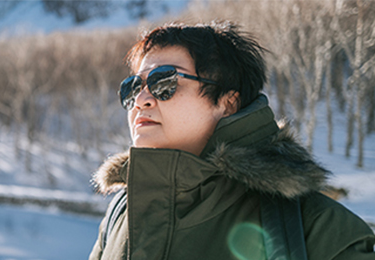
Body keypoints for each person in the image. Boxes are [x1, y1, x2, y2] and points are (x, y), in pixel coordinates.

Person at [89, 21, 375, 260]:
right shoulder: (121, 213)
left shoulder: (315, 228)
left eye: (164, 83)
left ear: (228, 103)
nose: (140, 100)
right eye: (133, 86)